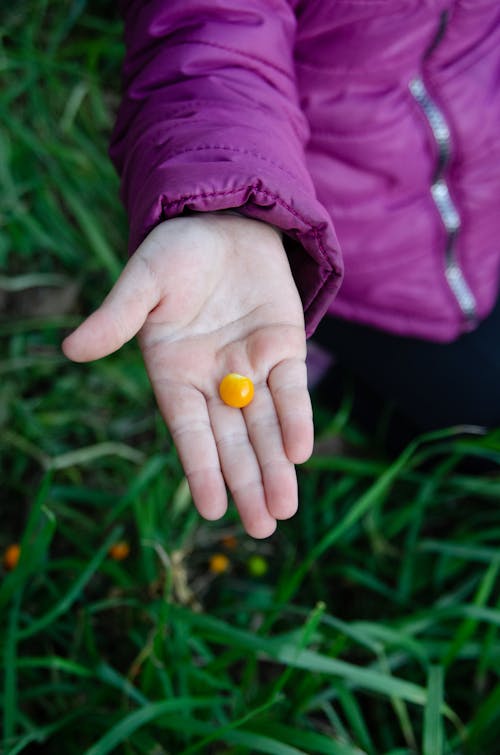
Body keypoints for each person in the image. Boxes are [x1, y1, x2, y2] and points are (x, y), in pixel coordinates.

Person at [62, 1, 500, 537]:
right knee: (482, 441)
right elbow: (209, 39)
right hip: (343, 258)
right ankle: (324, 351)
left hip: (486, 201)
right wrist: (227, 203)